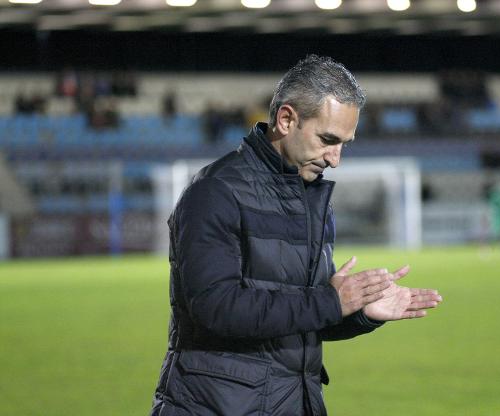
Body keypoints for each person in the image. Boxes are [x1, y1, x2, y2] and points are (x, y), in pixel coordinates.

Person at [149, 55, 442, 416]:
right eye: (327, 139)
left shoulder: (311, 197)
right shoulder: (215, 192)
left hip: (291, 402)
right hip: (216, 405)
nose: (336, 159)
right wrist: (331, 302)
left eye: (344, 144)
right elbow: (216, 307)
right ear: (286, 119)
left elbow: (301, 319)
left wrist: (360, 312)